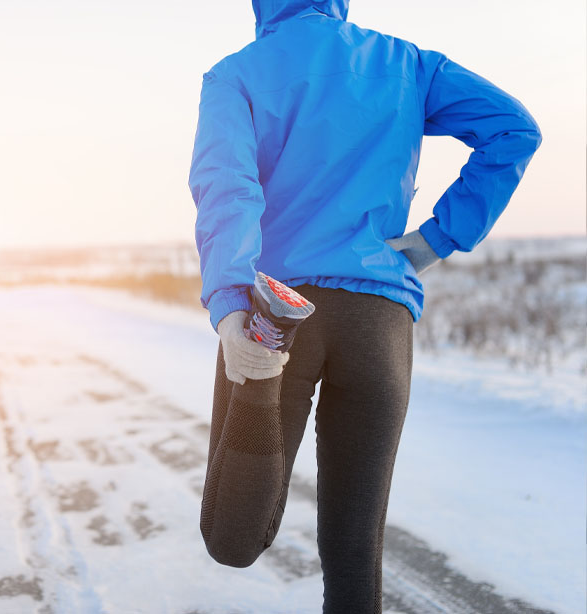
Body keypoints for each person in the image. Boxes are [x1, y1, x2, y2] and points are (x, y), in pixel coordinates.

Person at [187, 1, 541, 612]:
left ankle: (262, 371)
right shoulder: (406, 64)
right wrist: (437, 238)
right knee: (355, 555)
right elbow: (515, 129)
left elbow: (227, 188)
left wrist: (229, 305)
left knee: (232, 537)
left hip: (280, 314)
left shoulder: (235, 75)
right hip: (378, 318)